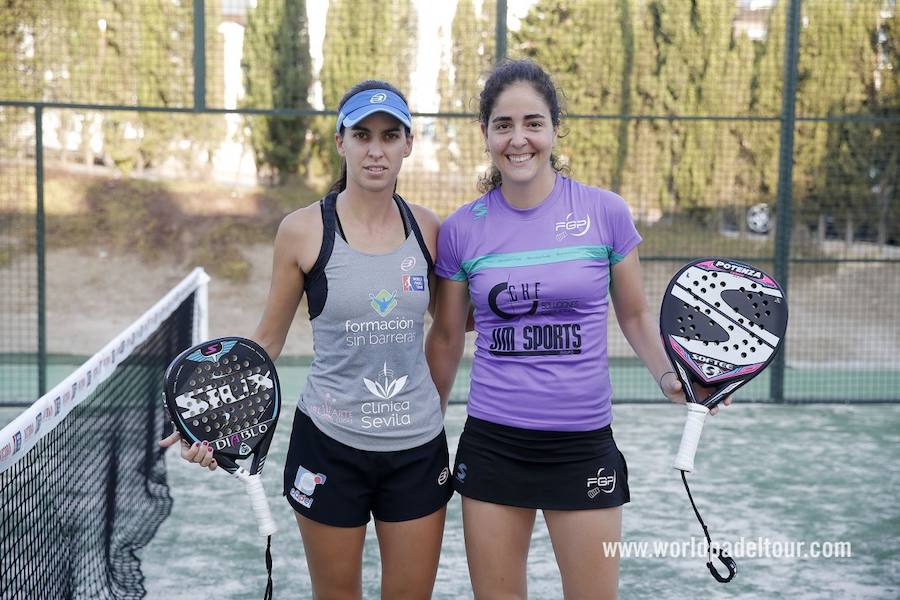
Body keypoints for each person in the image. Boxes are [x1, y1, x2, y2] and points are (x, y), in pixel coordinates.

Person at [425, 59, 730, 600]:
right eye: (503, 125)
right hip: (494, 445)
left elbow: (634, 314)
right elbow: (448, 337)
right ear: (486, 134)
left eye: (533, 123)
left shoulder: (604, 212)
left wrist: (669, 376)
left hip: (583, 447)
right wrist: (424, 428)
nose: (519, 140)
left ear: (555, 127)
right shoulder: (460, 229)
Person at [161, 80, 452, 600]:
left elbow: (455, 324)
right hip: (329, 446)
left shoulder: (430, 231)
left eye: (390, 136)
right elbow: (266, 342)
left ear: (408, 143)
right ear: (341, 142)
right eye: (362, 134)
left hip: (417, 449)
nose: (376, 149)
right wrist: (205, 421)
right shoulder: (302, 230)